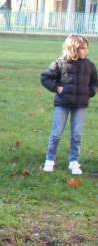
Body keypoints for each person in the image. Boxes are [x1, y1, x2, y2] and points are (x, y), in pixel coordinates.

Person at [40, 34, 96, 176]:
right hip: (62, 104)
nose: (86, 51)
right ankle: (50, 160)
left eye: (86, 48)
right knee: (56, 133)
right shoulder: (59, 63)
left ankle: (74, 162)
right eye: (83, 48)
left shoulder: (90, 65)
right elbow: (45, 77)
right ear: (73, 49)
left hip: (80, 105)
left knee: (77, 135)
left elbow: (95, 82)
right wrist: (57, 88)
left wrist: (90, 92)